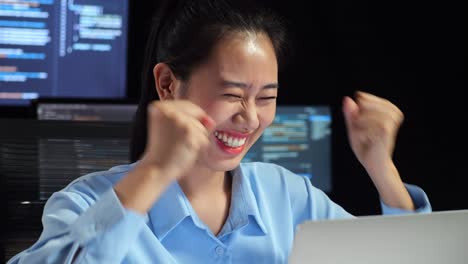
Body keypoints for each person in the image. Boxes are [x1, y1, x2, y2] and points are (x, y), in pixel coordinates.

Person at [8, 0, 431, 263]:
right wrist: (155, 170)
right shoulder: (85, 201)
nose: (249, 118)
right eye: (232, 94)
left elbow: (411, 259)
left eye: (266, 97)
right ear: (168, 85)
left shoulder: (289, 195)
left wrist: (381, 169)